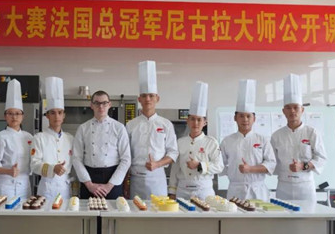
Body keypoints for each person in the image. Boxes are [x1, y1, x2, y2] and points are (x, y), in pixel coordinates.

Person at [271, 74, 327, 205]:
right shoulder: (276, 135)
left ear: (302, 110)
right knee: (283, 215)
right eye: (288, 108)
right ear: (283, 111)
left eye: (296, 107)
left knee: (307, 215)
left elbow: (321, 158)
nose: (292, 111)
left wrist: (303, 165)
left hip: (305, 186)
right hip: (283, 186)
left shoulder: (311, 132)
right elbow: (271, 161)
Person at [126, 60, 178, 199]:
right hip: (136, 178)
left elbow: (173, 152)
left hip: (157, 178)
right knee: (136, 210)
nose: (147, 99)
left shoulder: (166, 124)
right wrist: (125, 183)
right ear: (139, 99)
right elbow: (125, 155)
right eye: (144, 96)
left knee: (158, 211)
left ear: (157, 98)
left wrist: (157, 164)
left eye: (151, 95)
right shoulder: (131, 125)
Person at [220, 79, 276, 201]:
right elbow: (220, 165)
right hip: (235, 190)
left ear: (254, 119)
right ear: (235, 118)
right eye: (241, 116)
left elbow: (271, 164)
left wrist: (250, 169)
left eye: (248, 116)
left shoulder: (263, 140)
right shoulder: (227, 141)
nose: (245, 119)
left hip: (258, 189)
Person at [168, 81, 223, 200]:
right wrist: (172, 191)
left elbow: (219, 166)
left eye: (199, 120)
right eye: (192, 119)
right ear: (187, 121)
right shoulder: (180, 142)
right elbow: (175, 168)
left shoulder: (211, 142)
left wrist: (200, 165)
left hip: (204, 191)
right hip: (182, 190)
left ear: (205, 122)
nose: (195, 123)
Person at [72, 90, 131, 199]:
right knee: (88, 210)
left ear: (109, 104)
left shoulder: (119, 128)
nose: (101, 106)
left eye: (104, 103)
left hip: (113, 180)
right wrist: (89, 184)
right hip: (89, 179)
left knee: (112, 210)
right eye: (97, 103)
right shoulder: (83, 128)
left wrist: (109, 185)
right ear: (91, 105)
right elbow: (76, 158)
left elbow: (126, 159)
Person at [30, 77, 74, 200]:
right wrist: (52, 168)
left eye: (60, 112)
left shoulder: (70, 139)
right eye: (53, 113)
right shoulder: (39, 138)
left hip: (65, 188)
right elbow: (34, 165)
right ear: (47, 116)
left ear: (64, 115)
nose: (56, 116)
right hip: (46, 189)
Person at [0, 79, 33, 200]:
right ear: (5, 116)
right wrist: (8, 171)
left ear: (23, 116)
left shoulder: (29, 137)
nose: (14, 117)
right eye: (10, 113)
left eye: (18, 113)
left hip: (24, 186)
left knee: (24, 211)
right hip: (5, 186)